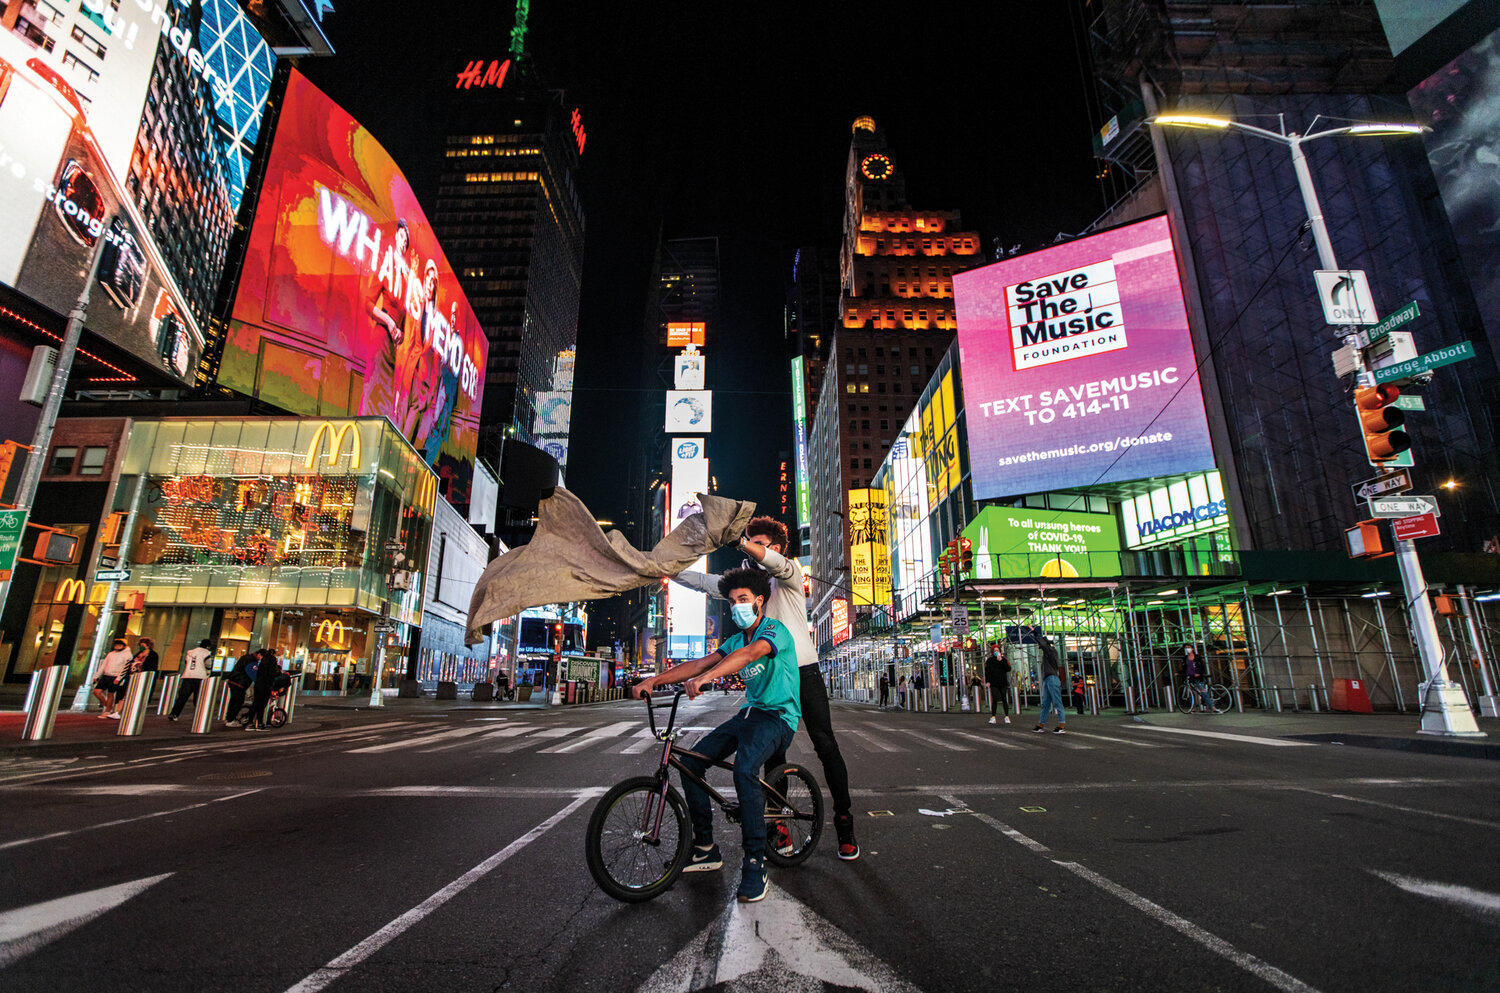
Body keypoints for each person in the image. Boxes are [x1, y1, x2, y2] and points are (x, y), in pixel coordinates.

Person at [673, 516, 861, 861]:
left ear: (776, 549)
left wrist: (743, 543)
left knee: (826, 745)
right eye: (751, 543)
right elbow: (704, 581)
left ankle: (845, 823)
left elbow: (772, 561)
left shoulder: (788, 575)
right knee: (773, 756)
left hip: (805, 674)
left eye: (762, 545)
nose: (755, 552)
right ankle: (778, 823)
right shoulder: (749, 588)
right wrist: (666, 570)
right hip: (771, 677)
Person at [632, 567, 800, 903]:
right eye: (733, 601)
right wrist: (655, 681)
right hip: (749, 715)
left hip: (779, 718)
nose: (737, 605)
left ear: (759, 602)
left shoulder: (774, 631)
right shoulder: (736, 638)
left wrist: (711, 676)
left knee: (744, 769)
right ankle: (705, 848)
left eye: (743, 600)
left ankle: (755, 860)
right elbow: (700, 663)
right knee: (692, 765)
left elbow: (748, 656)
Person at [1032, 628, 1067, 733]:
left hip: (1052, 679)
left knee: (1057, 702)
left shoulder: (1051, 651)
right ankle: (1041, 724)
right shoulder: (1050, 653)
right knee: (1046, 703)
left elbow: (1043, 645)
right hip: (1048, 679)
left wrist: (1035, 634)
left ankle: (1061, 725)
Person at [170, 639, 214, 721]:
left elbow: (186, 662)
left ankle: (174, 714)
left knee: (182, 697)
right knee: (198, 698)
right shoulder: (206, 652)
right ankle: (199, 716)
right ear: (208, 646)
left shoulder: (190, 652)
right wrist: (208, 672)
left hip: (188, 676)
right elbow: (208, 664)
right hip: (199, 677)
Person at [93, 639, 133, 718]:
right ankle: (107, 705)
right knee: (96, 691)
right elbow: (103, 665)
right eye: (116, 644)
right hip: (106, 675)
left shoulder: (127, 654)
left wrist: (118, 678)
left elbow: (125, 668)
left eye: (120, 644)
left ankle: (107, 711)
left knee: (110, 693)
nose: (117, 646)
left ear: (124, 646)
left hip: (115, 676)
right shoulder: (111, 654)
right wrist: (96, 676)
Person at [245, 648, 282, 731]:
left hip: (258, 684)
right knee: (261, 705)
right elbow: (272, 673)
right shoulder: (272, 660)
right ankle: (260, 724)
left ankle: (250, 723)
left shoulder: (263, 660)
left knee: (255, 704)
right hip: (265, 685)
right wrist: (279, 672)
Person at [225, 649, 257, 726]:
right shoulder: (251, 660)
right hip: (239, 683)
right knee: (237, 701)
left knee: (234, 701)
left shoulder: (246, 657)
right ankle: (231, 720)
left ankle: (229, 718)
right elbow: (251, 672)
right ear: (259, 655)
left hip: (235, 681)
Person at [984, 644, 1012, 725]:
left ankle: (1007, 716)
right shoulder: (990, 660)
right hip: (993, 683)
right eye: (995, 651)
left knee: (1004, 699)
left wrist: (1001, 661)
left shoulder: (1003, 660)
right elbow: (987, 672)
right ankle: (993, 717)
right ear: (992, 652)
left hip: (1003, 682)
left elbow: (1008, 669)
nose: (996, 652)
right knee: (994, 700)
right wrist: (988, 681)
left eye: (997, 650)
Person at [1182, 646, 1214, 714]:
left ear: (1192, 648)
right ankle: (1193, 707)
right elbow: (1184, 668)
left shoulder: (1197, 657)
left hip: (1198, 677)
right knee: (1192, 692)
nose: (1187, 649)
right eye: (1186, 648)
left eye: (1189, 647)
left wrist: (1199, 673)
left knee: (1203, 692)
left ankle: (1212, 707)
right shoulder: (1185, 658)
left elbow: (1202, 666)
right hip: (1190, 677)